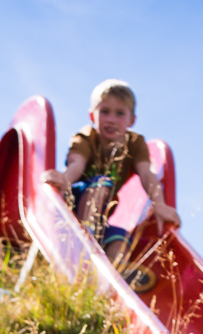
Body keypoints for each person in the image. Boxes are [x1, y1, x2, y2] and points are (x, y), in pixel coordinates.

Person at [42, 79, 181, 292]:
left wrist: (159, 204)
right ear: (92, 115)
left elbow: (147, 173)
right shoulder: (86, 137)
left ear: (131, 119)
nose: (111, 119)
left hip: (102, 216)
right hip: (74, 203)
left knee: (121, 237)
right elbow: (76, 163)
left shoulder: (134, 144)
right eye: (105, 111)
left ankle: (114, 276)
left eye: (119, 113)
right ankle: (85, 241)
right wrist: (65, 180)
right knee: (101, 184)